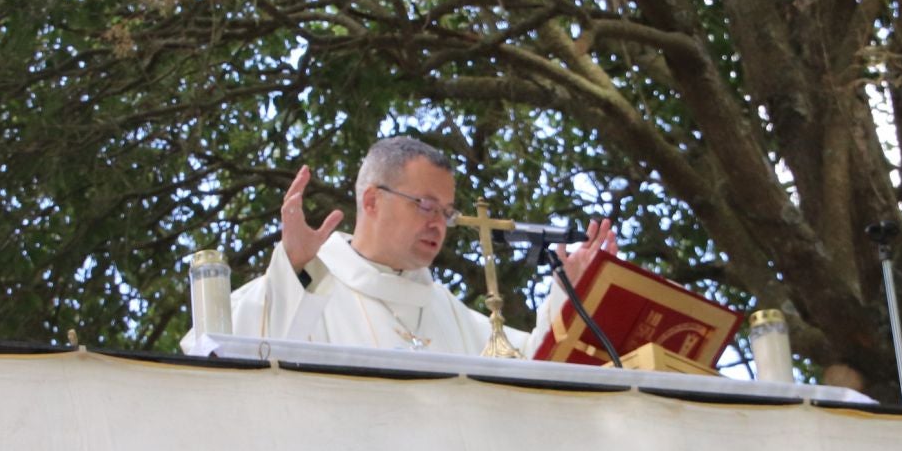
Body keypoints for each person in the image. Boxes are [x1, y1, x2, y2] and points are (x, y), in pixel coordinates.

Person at [190, 135, 614, 355]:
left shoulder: (446, 311)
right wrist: (294, 268)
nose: (438, 223)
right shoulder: (307, 285)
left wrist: (571, 294)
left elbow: (531, 368)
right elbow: (216, 350)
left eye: (446, 212)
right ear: (372, 201)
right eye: (425, 205)